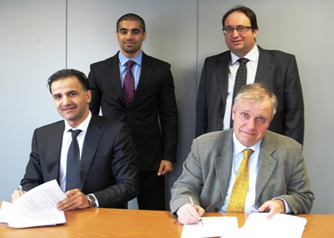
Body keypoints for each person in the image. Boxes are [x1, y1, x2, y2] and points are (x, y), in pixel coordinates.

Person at [170, 83, 313, 225]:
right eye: (245, 115)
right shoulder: (203, 145)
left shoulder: (290, 150)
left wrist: (282, 204)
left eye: (261, 119)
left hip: (263, 228)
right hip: (212, 226)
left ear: (270, 120)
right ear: (233, 113)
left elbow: (304, 197)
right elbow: (184, 187)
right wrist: (185, 207)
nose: (250, 126)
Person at [11, 69, 140, 211]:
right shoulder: (42, 135)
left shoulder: (115, 132)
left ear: (88, 96)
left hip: (98, 216)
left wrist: (89, 199)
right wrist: (25, 194)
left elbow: (129, 184)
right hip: (53, 215)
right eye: (58, 97)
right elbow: (30, 181)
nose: (65, 102)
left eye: (72, 94)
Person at [87, 13, 178, 210]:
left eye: (135, 31)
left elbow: (169, 115)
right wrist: (90, 154)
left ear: (144, 35)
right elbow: (90, 116)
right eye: (124, 31)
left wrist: (168, 155)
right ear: (117, 35)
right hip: (108, 156)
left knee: (153, 217)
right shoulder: (98, 70)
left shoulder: (161, 70)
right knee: (112, 220)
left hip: (150, 156)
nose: (129, 36)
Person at [196, 5, 304, 145]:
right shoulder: (212, 65)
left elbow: (294, 114)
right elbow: (202, 114)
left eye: (241, 28)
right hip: (219, 146)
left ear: (254, 31)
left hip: (267, 148)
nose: (235, 34)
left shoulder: (283, 63)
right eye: (229, 29)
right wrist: (201, 148)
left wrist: (291, 154)